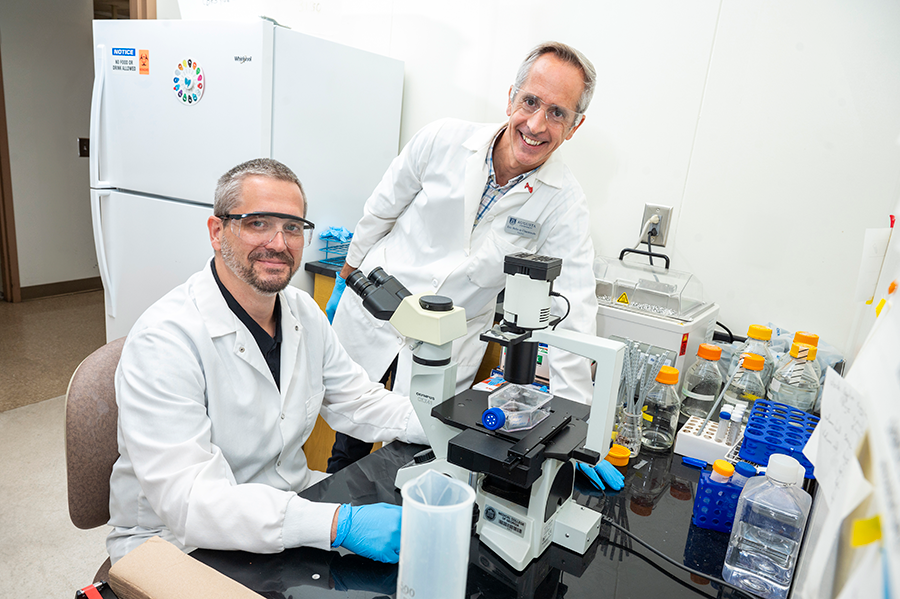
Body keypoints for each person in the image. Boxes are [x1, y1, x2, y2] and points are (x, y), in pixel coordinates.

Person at [106, 158, 427, 565]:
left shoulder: (302, 312)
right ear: (217, 231)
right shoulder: (165, 340)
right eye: (257, 223)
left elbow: (359, 400)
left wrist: (445, 426)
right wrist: (336, 525)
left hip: (288, 502)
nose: (278, 243)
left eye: (292, 227)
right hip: (174, 543)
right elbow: (192, 501)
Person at [327, 41, 599, 473]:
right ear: (511, 97)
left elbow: (574, 309)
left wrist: (577, 428)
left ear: (575, 126)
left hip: (445, 341)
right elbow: (380, 211)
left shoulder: (564, 203)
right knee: (350, 442)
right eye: (530, 101)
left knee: (412, 453)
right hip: (377, 312)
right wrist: (347, 277)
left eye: (557, 113)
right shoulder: (443, 139)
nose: (536, 123)